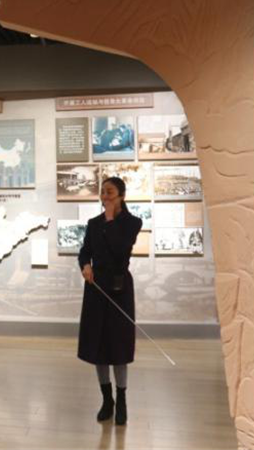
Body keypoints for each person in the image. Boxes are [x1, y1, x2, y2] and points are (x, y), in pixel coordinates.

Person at [78, 176, 142, 426]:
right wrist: (85, 265)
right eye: (103, 192)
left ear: (121, 196)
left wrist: (111, 218)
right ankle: (107, 400)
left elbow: (120, 249)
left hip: (119, 288)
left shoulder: (132, 222)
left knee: (119, 345)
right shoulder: (93, 223)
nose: (105, 196)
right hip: (96, 288)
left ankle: (122, 399)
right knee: (99, 345)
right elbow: (85, 251)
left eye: (110, 192)